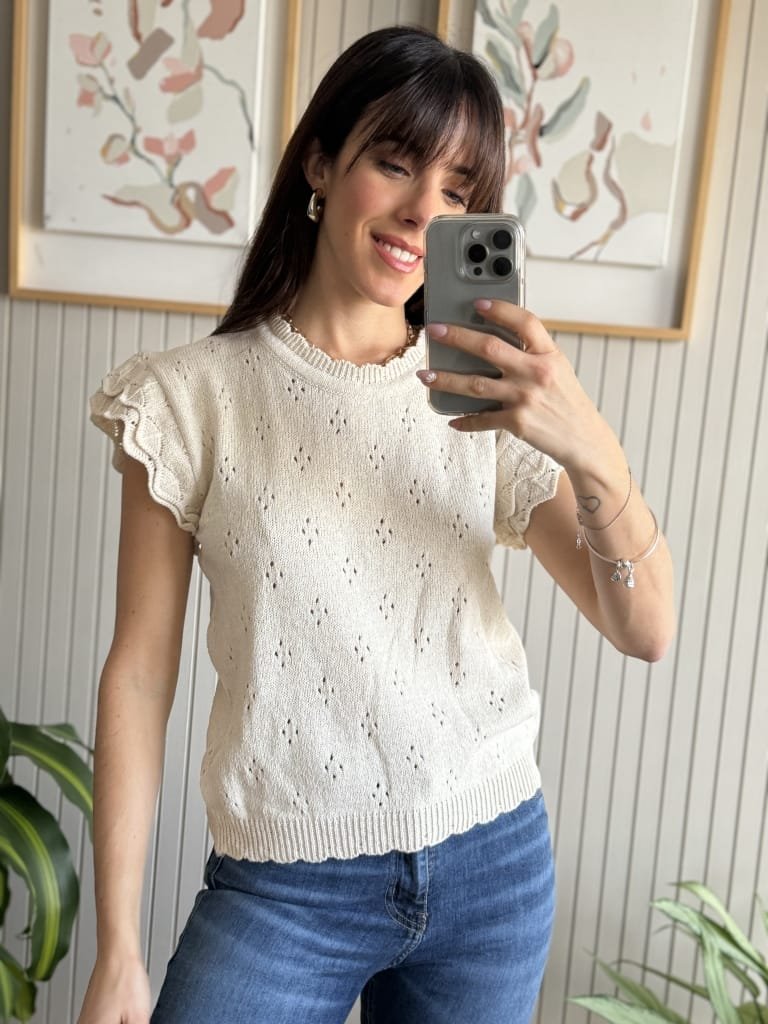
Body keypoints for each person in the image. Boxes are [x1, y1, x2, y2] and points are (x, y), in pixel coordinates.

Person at [78, 24, 675, 1024]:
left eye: (458, 192)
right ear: (321, 163)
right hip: (284, 889)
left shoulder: (488, 396)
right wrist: (117, 950)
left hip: (492, 863)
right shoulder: (186, 401)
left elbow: (646, 629)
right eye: (395, 164)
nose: (421, 213)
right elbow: (139, 674)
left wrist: (589, 444)